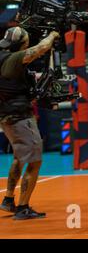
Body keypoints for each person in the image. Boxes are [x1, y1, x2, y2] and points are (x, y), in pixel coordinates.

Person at [0, 27, 59, 219]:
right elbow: (41, 48)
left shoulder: (2, 56)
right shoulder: (16, 59)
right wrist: (52, 35)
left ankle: (8, 200)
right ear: (22, 45)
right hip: (20, 118)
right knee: (35, 161)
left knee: (19, 157)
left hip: (7, 117)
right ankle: (23, 207)